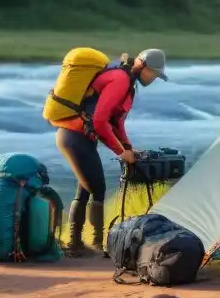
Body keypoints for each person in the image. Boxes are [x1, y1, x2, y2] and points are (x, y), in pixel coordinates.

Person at [51, 48, 169, 257]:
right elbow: (99, 121)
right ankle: (91, 244)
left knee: (86, 189)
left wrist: (128, 148)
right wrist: (120, 151)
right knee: (98, 188)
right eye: (153, 73)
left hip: (80, 138)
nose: (154, 78)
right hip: (74, 137)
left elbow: (117, 123)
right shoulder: (120, 80)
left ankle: (80, 244)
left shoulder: (128, 84)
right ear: (141, 66)